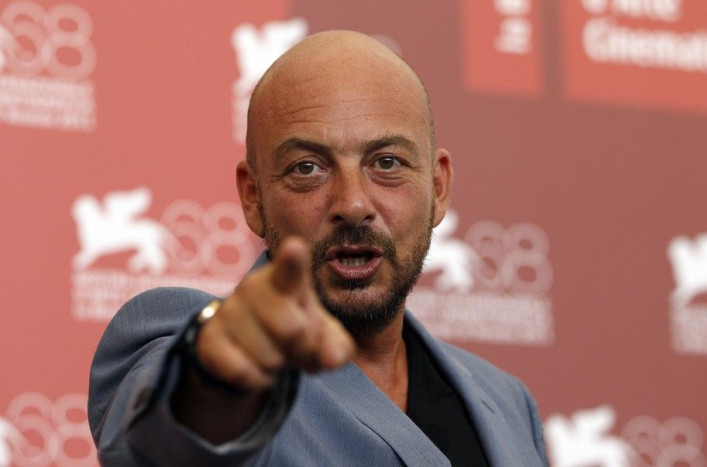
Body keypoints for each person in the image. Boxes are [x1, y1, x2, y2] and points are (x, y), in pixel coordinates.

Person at [88, 30, 548, 466]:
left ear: (438, 186)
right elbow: (159, 440)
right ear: (253, 197)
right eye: (307, 168)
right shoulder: (186, 340)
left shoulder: (507, 402)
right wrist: (216, 384)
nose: (352, 204)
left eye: (386, 163)